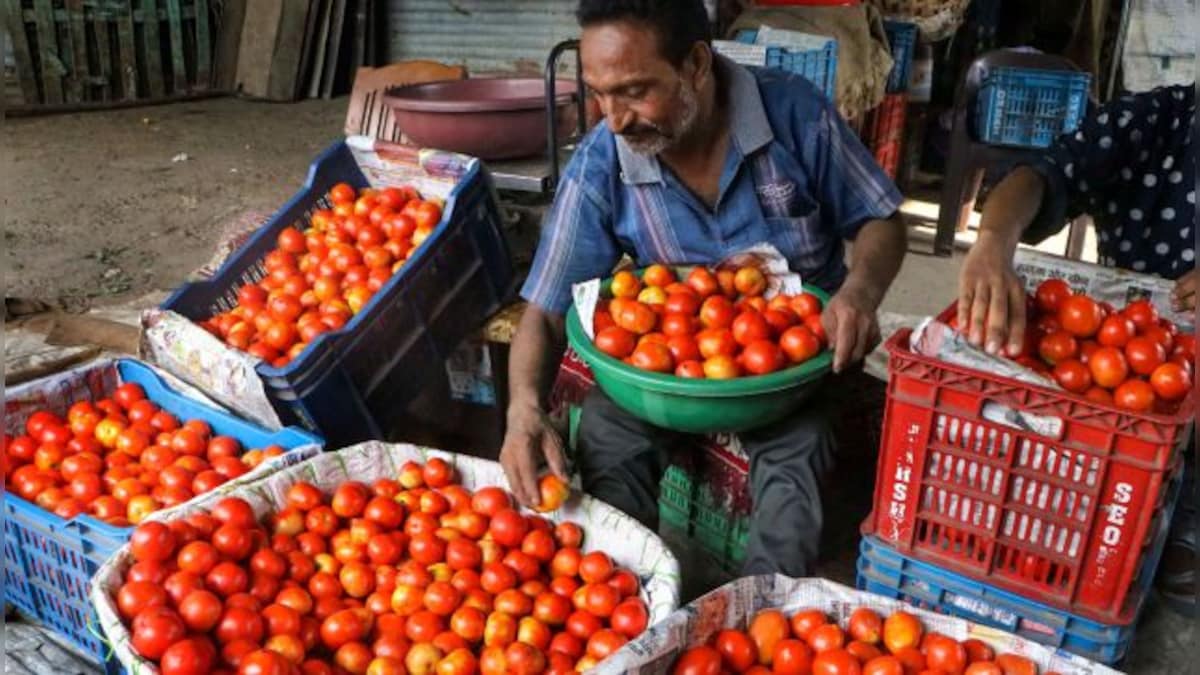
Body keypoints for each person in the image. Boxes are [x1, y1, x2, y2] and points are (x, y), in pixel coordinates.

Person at [497, 0, 907, 576]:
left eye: (636, 91)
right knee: (608, 433)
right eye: (599, 93)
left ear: (695, 64)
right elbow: (542, 310)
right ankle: (624, 602)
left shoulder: (793, 114)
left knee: (801, 456)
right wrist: (522, 411)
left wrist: (859, 294)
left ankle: (757, 625)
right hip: (671, 372)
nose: (614, 118)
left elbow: (881, 221)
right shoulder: (602, 160)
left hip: (787, 376)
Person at [957, 83, 1196, 614]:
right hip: (1123, 375)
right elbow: (1043, 175)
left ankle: (1180, 518)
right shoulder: (1157, 122)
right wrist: (993, 238)